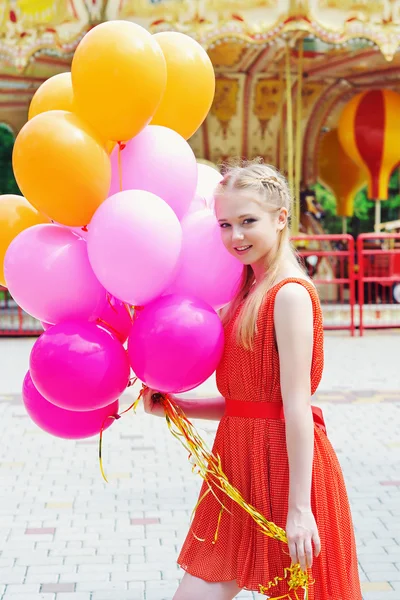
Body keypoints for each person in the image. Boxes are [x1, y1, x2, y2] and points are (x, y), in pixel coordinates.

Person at [143, 161, 362, 600]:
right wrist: (179, 406)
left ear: (281, 218)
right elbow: (245, 402)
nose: (235, 236)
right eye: (225, 224)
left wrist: (300, 509)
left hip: (286, 469)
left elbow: (295, 408)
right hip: (236, 465)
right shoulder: (241, 296)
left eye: (248, 222)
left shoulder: (290, 295)